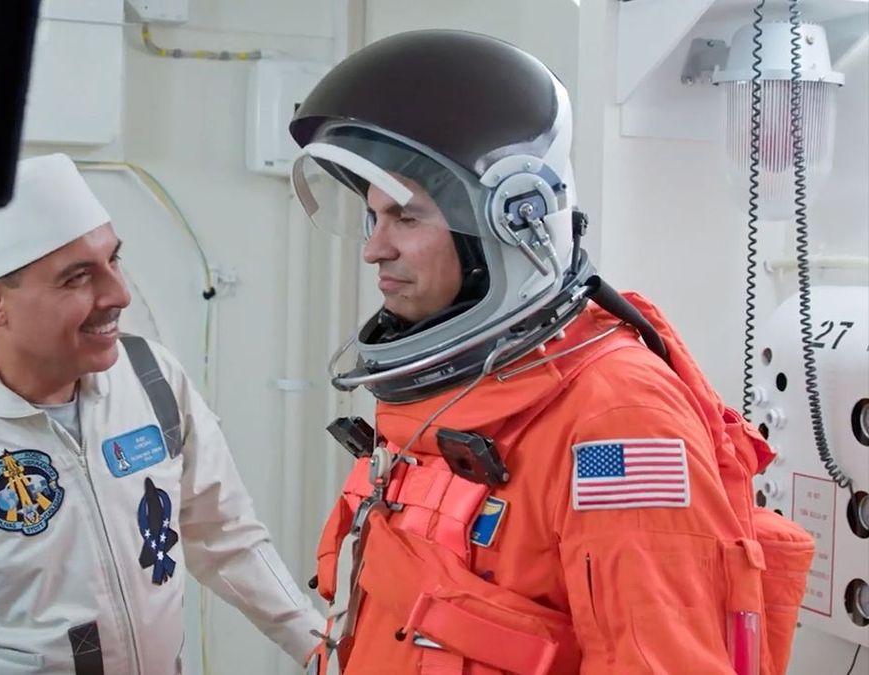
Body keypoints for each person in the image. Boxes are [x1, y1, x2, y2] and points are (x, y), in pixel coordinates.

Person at [288, 30, 814, 675]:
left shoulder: (618, 419)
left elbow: (658, 659)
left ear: (511, 221)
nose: (374, 249)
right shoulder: (457, 393)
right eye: (373, 218)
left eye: (406, 217)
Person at [0, 153, 323, 673]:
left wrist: (323, 649)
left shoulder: (151, 379)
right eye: (77, 278)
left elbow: (225, 536)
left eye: (113, 260)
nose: (117, 294)